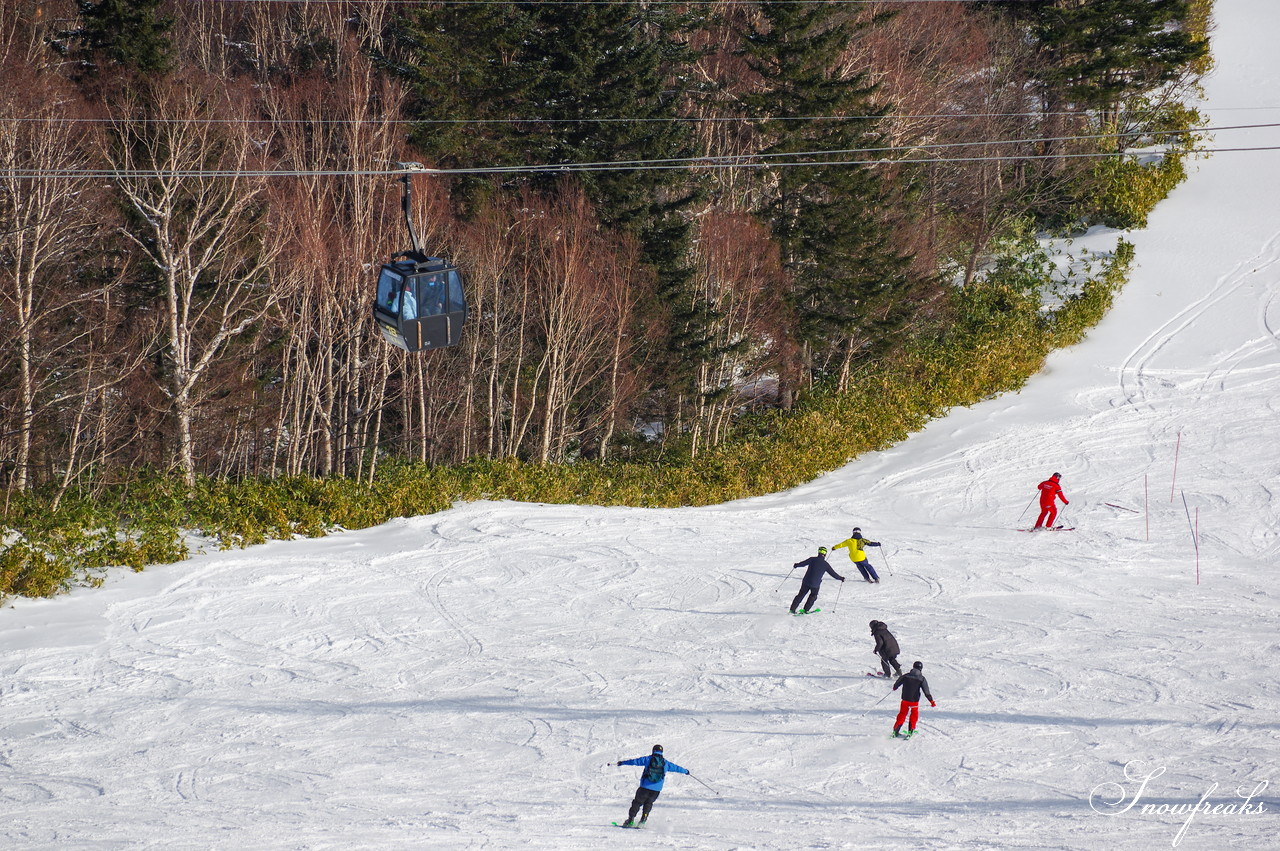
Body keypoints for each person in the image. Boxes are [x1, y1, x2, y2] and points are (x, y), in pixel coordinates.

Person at [616, 744, 690, 827]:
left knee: (637, 802)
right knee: (648, 803)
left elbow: (635, 761)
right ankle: (643, 821)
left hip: (644, 787)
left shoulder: (648, 759)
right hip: (656, 790)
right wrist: (686, 771)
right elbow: (676, 768)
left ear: (653, 751)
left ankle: (630, 820)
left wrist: (622, 763)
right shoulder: (665, 763)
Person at [789, 546, 845, 614]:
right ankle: (806, 610)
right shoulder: (826, 564)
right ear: (825, 554)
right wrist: (841, 578)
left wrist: (796, 565)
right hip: (815, 584)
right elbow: (833, 574)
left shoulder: (812, 559)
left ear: (818, 552)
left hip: (806, 581)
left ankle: (792, 609)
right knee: (813, 596)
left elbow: (803, 564)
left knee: (801, 595)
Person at [891, 661, 936, 738]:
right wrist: (931, 701)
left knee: (902, 714)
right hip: (914, 701)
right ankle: (910, 732)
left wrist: (895, 687)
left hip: (905, 699)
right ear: (921, 669)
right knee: (914, 715)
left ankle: (895, 731)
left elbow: (897, 682)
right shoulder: (921, 679)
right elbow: (926, 691)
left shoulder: (906, 676)